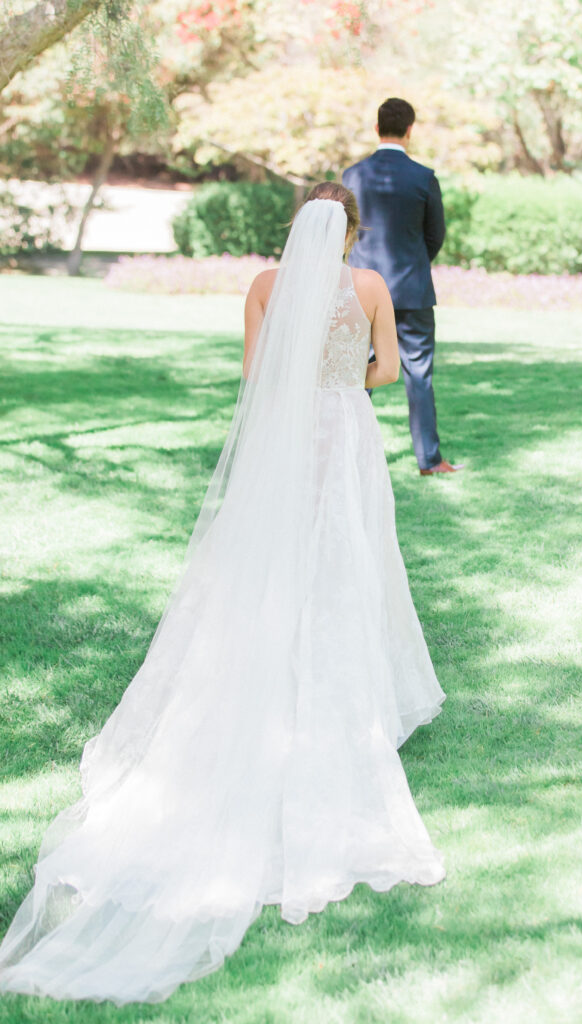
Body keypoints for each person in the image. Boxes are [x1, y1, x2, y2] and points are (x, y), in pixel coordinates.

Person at [0, 183, 446, 1006]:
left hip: (283, 441)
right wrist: (345, 378)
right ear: (349, 232)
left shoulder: (266, 289)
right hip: (344, 431)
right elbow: (385, 368)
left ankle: (261, 663)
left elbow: (255, 373)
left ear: (297, 230)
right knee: (345, 557)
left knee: (266, 560)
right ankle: (341, 687)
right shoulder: (372, 288)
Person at [343, 97, 463, 476]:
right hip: (411, 291)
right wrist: (411, 266)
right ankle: (429, 460)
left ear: (377, 128)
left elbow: (343, 231)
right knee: (419, 375)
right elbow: (435, 235)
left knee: (353, 374)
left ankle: (343, 455)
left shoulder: (351, 176)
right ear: (410, 130)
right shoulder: (424, 177)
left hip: (360, 291)